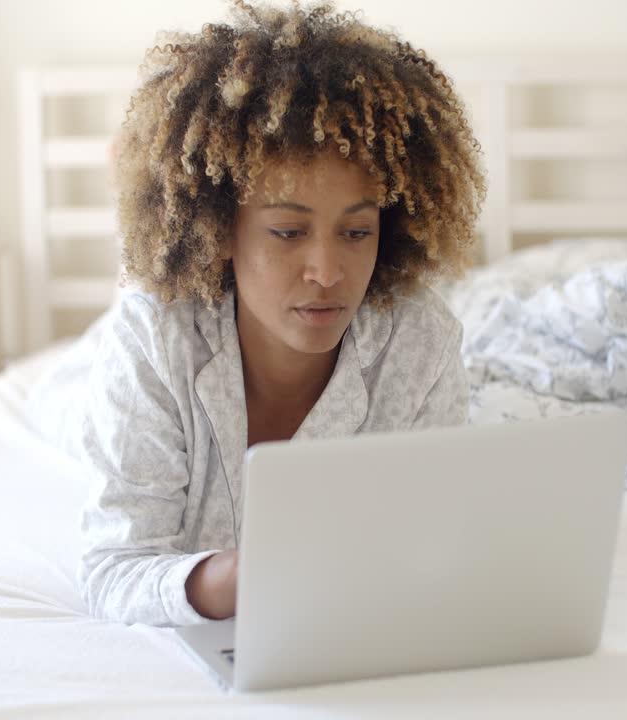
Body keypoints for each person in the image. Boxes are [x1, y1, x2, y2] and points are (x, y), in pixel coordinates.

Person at [29, 0, 486, 626]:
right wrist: (234, 578)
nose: (327, 272)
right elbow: (114, 567)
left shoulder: (421, 341)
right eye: (287, 232)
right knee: (62, 395)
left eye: (356, 233)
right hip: (121, 359)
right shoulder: (153, 337)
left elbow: (437, 548)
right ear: (220, 230)